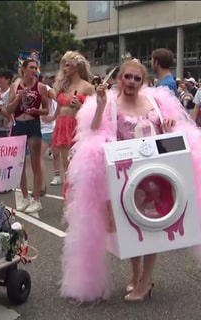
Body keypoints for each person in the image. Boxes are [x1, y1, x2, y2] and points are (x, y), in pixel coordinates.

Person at [61, 59, 201, 303]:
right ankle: (136, 277)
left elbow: (172, 130)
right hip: (126, 176)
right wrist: (100, 106)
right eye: (128, 77)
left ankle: (146, 281)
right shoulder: (111, 105)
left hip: (157, 175)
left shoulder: (156, 102)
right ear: (120, 78)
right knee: (131, 228)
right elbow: (94, 133)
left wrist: (169, 124)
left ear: (143, 81)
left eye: (137, 79)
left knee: (152, 227)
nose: (132, 83)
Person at [50, 51, 94, 198]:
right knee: (67, 167)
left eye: (67, 65)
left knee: (78, 167)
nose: (64, 68)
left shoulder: (87, 87)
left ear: (76, 67)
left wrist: (80, 105)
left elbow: (95, 112)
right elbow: (59, 107)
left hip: (77, 128)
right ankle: (69, 200)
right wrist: (52, 117)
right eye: (63, 65)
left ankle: (81, 199)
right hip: (62, 126)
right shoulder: (64, 86)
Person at [7, 58, 49, 213]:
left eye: (35, 67)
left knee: (35, 162)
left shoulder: (41, 87)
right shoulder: (15, 85)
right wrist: (18, 97)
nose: (34, 70)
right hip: (18, 124)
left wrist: (36, 111)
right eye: (31, 67)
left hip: (33, 124)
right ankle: (25, 196)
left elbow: (46, 109)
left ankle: (37, 198)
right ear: (23, 69)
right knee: (20, 164)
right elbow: (9, 109)